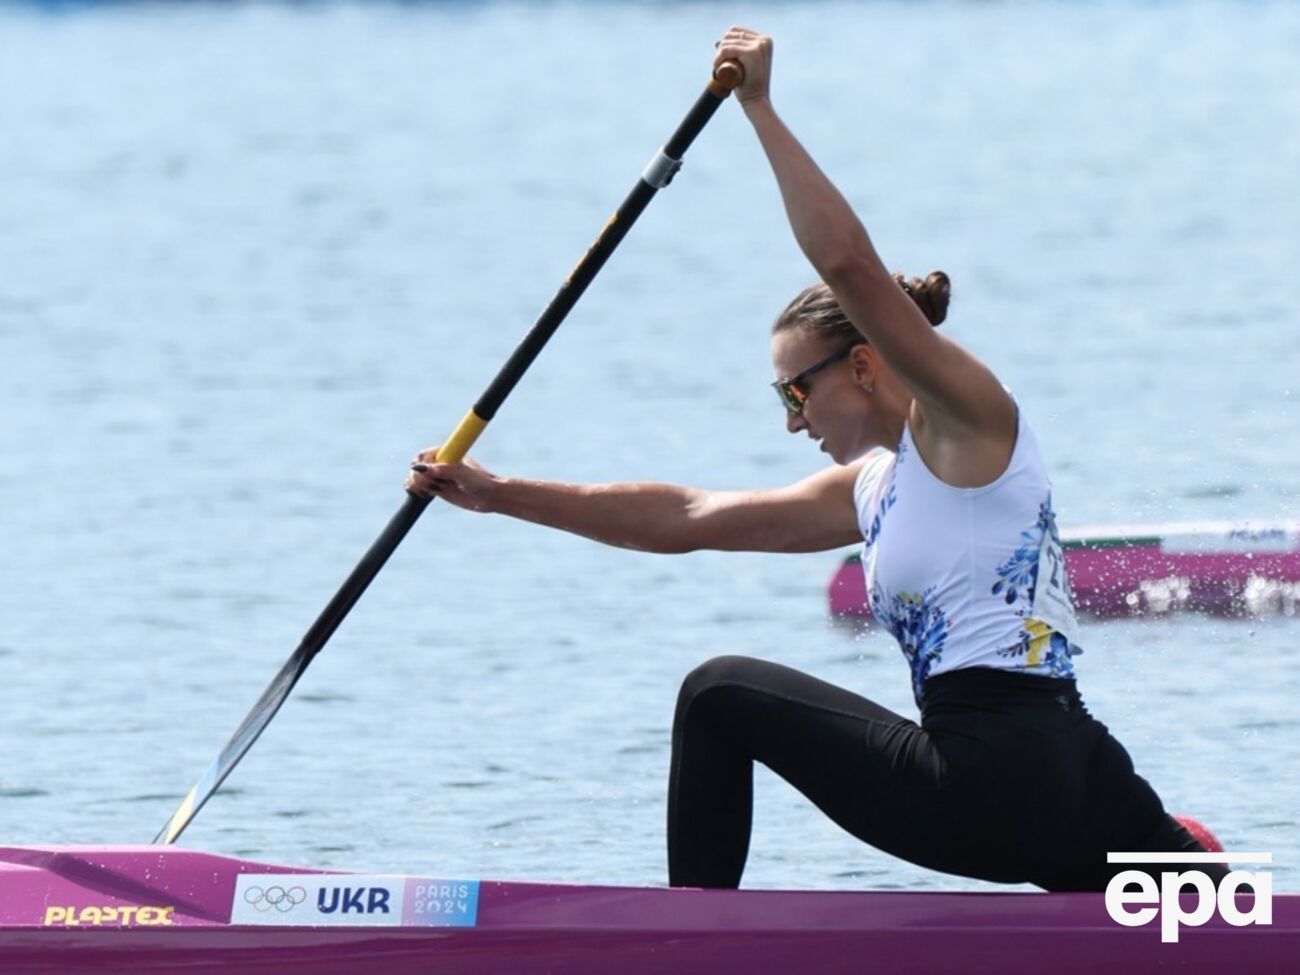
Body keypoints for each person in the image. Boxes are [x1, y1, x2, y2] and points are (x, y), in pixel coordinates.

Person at [406, 27, 1222, 891]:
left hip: (990, 778)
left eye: (796, 391)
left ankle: (691, 944)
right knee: (1222, 903)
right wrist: (499, 494)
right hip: (1080, 785)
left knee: (717, 695)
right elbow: (685, 519)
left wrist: (757, 107)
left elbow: (847, 265)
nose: (793, 420)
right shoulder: (872, 488)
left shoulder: (969, 425)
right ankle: (1195, 874)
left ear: (865, 363)